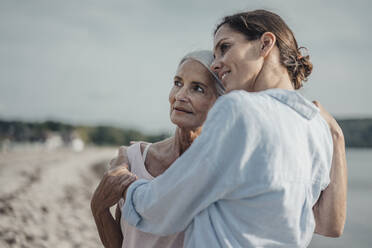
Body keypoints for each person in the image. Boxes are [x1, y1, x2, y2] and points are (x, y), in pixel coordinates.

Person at [92, 10, 347, 247]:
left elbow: (162, 207)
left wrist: (122, 182)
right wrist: (337, 136)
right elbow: (326, 223)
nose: (216, 63)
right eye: (177, 83)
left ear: (266, 44)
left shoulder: (239, 108)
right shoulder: (316, 127)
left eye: (225, 48)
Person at [91, 50, 224, 248]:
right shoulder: (133, 158)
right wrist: (99, 209)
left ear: (222, 103)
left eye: (197, 88)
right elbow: (123, 243)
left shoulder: (221, 171)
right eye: (178, 83)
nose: (180, 96)